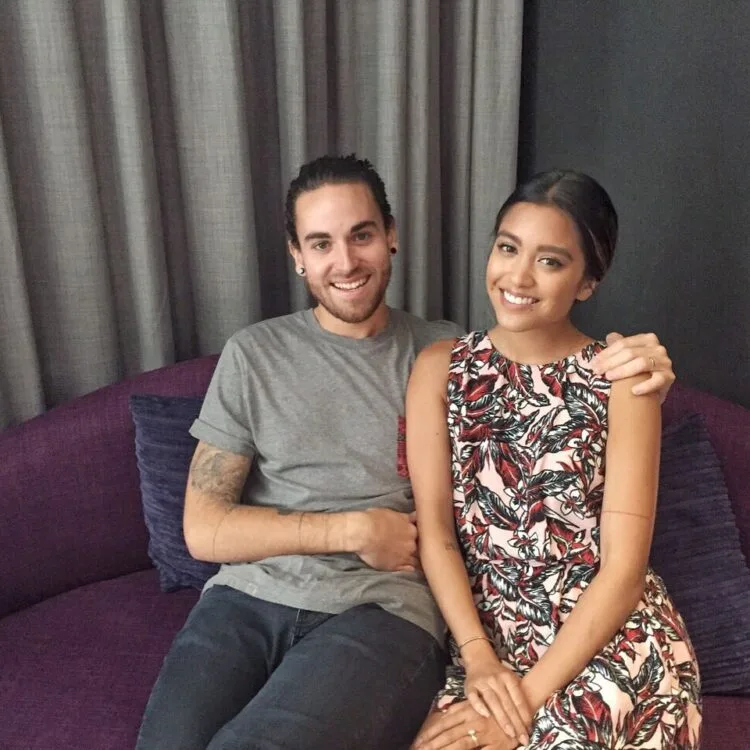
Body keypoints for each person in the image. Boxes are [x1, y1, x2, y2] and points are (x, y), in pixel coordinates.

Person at [136, 156, 678, 750]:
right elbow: (203, 529)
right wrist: (352, 530)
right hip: (256, 600)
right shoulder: (262, 355)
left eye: (362, 235)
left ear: (391, 235)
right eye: (321, 243)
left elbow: (541, 362)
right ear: (296, 254)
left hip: (389, 611)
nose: (345, 262)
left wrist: (641, 365)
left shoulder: (439, 350)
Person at [406, 170, 701, 750]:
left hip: (607, 639)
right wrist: (478, 658)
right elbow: (436, 533)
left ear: (587, 282)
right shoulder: (439, 368)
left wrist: (521, 705)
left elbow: (623, 571)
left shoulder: (624, 379)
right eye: (507, 248)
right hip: (489, 642)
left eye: (550, 261)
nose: (518, 277)